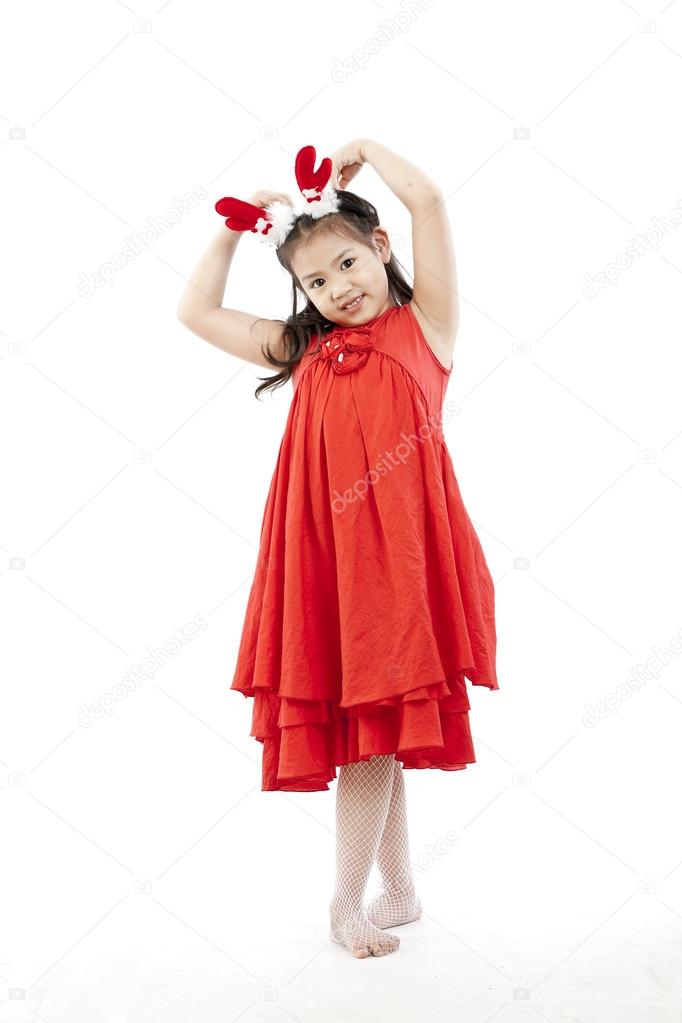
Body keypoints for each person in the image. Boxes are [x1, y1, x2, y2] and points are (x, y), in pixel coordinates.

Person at [177, 140, 500, 959]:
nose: (337, 288)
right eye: (316, 281)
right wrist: (236, 229)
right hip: (325, 561)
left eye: (348, 264)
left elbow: (427, 199)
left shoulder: (426, 327)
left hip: (401, 565)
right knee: (375, 726)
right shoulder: (305, 347)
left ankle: (344, 905)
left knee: (376, 729)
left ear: (380, 248)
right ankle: (398, 888)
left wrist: (366, 151)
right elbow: (196, 314)